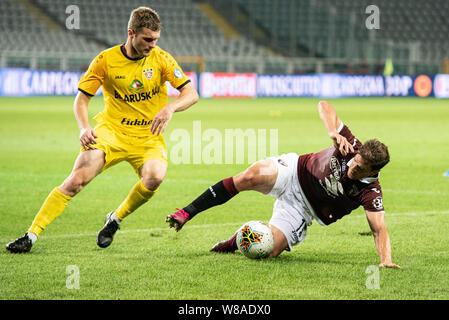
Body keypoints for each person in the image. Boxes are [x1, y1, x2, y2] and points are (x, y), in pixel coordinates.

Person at [6, 7, 199, 253]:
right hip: (111, 133)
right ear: (131, 33)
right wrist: (84, 128)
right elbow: (82, 99)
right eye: (147, 39)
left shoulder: (161, 59)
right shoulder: (106, 60)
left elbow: (191, 93)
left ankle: (115, 219)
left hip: (148, 137)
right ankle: (30, 235)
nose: (152, 44)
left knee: (154, 177)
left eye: (155, 39)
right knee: (76, 181)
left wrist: (170, 109)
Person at [166, 101, 400, 268]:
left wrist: (385, 260)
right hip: (294, 171)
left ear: (374, 171)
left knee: (266, 252)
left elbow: (379, 229)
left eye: (359, 169)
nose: (353, 167)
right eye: (355, 162)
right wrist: (332, 133)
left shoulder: (370, 192)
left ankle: (237, 239)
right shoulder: (351, 145)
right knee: (250, 176)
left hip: (302, 211)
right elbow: (324, 106)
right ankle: (187, 212)